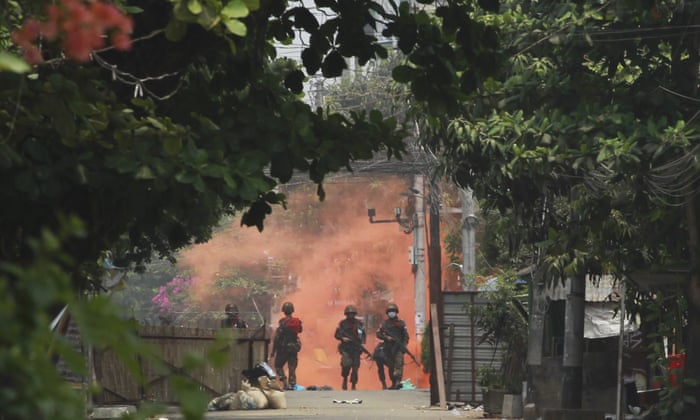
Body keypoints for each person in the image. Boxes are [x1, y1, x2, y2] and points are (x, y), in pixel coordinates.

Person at [376, 302, 409, 390]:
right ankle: (393, 383)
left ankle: (398, 381)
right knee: (391, 366)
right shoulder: (384, 324)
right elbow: (378, 334)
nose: (392, 313)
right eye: (390, 311)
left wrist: (404, 346)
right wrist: (386, 337)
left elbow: (406, 336)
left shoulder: (401, 323)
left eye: (393, 311)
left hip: (398, 347)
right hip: (388, 348)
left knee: (398, 363)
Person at [270, 301, 302, 390]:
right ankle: (292, 384)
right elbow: (300, 330)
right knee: (292, 367)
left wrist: (273, 351)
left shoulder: (282, 322)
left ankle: (284, 382)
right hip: (293, 348)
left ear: (284, 311)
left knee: (278, 366)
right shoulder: (297, 322)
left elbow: (277, 337)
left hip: (283, 349)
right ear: (292, 310)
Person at [334, 304, 367, 390]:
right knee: (346, 365)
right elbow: (337, 334)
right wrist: (342, 338)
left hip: (356, 348)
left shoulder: (359, 323)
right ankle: (345, 379)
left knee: (355, 367)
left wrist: (362, 344)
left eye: (352, 314)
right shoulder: (342, 323)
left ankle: (353, 384)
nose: (350, 315)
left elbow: (363, 335)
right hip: (346, 348)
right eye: (349, 314)